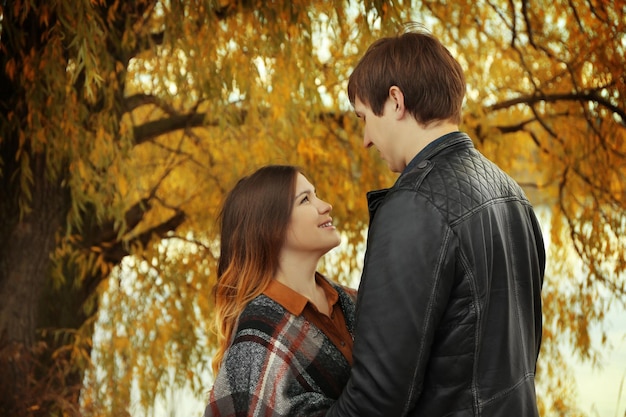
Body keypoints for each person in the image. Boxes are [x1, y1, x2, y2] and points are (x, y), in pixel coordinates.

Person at [325, 28, 546, 416]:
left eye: (364, 118)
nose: (365, 139)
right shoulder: (510, 192)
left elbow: (377, 398)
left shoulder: (414, 205)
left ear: (395, 101)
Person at [204, 165, 357, 417]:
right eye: (305, 199)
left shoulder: (352, 300)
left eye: (316, 194)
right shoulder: (257, 336)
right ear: (272, 227)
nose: (325, 205)